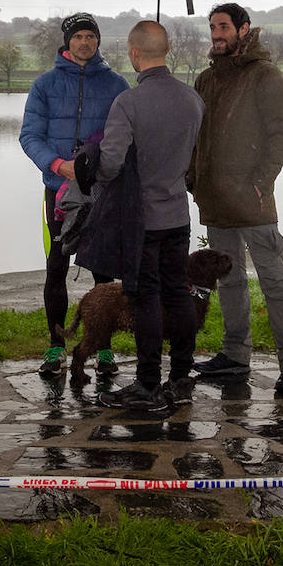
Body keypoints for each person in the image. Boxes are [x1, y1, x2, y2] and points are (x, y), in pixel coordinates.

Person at [69, 21, 204, 409]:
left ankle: (147, 385)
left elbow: (109, 166)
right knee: (177, 293)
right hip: (178, 215)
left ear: (133, 53)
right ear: (168, 50)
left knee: (145, 298)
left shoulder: (127, 103)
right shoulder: (193, 99)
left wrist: (87, 161)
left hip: (141, 220)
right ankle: (180, 377)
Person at [188, 2, 283, 397]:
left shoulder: (265, 75)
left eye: (223, 27)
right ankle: (235, 357)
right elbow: (195, 136)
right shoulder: (206, 80)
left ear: (244, 29)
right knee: (230, 282)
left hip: (254, 202)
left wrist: (262, 181)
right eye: (212, 28)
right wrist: (193, 178)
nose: (216, 34)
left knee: (274, 283)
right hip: (215, 201)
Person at [19, 12, 129, 377]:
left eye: (91, 36)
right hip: (59, 191)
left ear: (98, 41)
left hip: (102, 191)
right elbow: (29, 136)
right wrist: (58, 165)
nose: (85, 42)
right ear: (67, 41)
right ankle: (55, 346)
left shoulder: (116, 86)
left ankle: (103, 349)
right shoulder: (44, 85)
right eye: (78, 36)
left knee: (103, 271)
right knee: (56, 267)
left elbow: (127, 134)